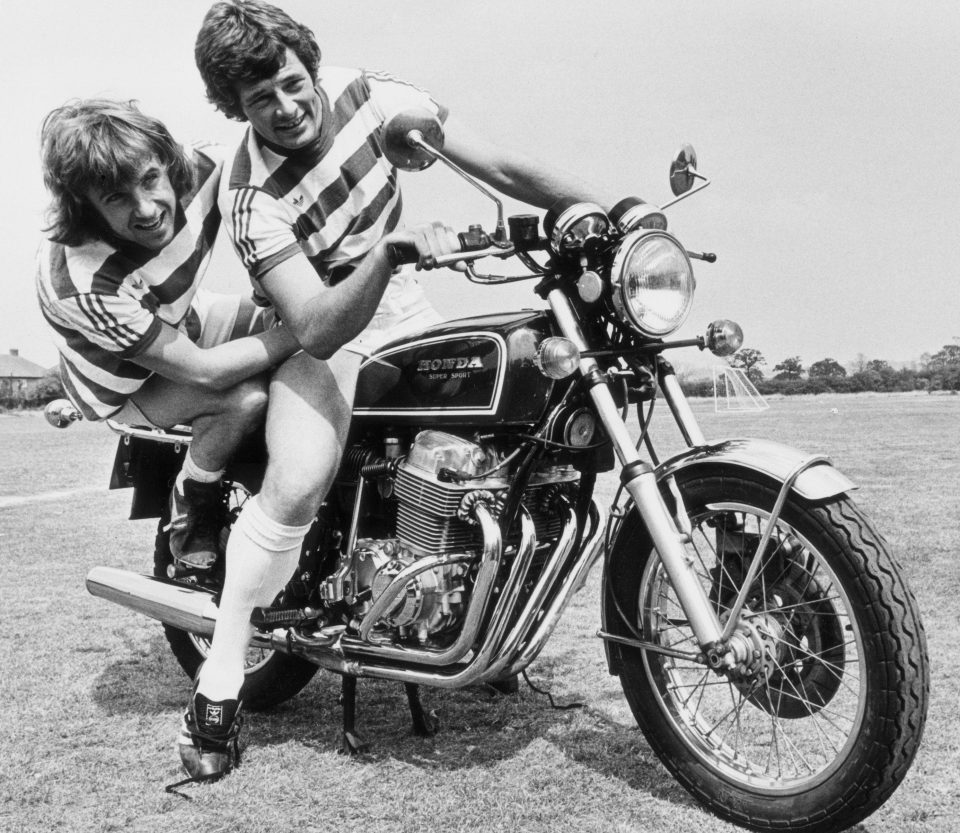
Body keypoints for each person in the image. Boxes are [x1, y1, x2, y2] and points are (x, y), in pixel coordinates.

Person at [182, 0, 617, 781]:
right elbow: (315, 323)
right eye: (260, 102)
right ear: (234, 110)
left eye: (290, 82)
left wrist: (604, 208)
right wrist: (387, 254)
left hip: (408, 308)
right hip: (321, 334)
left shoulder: (368, 94)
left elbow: (501, 167)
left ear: (308, 66)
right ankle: (218, 679)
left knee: (513, 433)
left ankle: (479, 612)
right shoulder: (249, 195)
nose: (286, 107)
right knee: (299, 482)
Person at [36, 99, 303, 573]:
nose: (146, 210)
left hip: (187, 318)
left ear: (166, 161)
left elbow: (283, 185)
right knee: (242, 399)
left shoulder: (211, 164)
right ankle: (193, 497)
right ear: (84, 207)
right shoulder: (81, 279)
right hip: (127, 381)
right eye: (115, 198)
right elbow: (204, 373)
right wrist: (312, 324)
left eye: (149, 180)